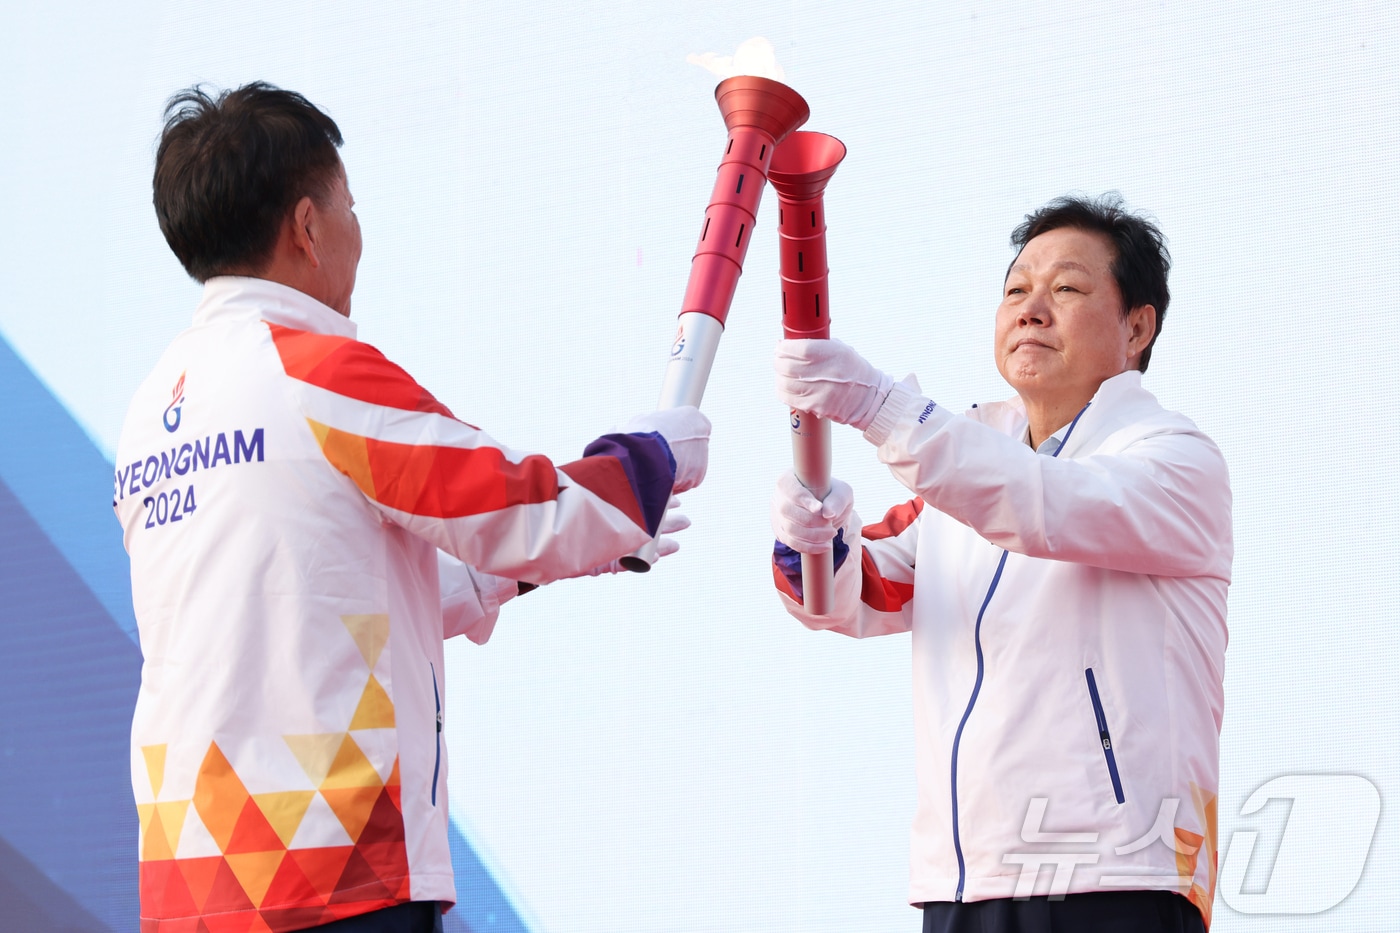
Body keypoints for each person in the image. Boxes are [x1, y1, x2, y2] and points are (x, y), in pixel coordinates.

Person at [114, 82, 709, 933]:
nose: (359, 231)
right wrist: (648, 460)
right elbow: (518, 510)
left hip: (191, 877)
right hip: (328, 866)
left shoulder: (150, 412)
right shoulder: (315, 371)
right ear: (308, 226)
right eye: (349, 206)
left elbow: (320, 598)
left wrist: (534, 572)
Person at [770, 195, 1231, 932]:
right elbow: (851, 594)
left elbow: (1045, 502)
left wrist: (883, 408)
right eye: (1017, 288)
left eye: (1068, 288)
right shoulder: (965, 475)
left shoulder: (1172, 460)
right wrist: (812, 535)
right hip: (964, 884)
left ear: (1137, 325)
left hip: (1114, 879)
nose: (1032, 308)